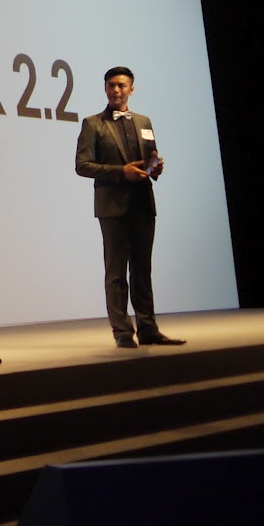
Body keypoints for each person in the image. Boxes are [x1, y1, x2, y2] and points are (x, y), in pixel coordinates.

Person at [74, 66, 184, 348]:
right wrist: (121, 172)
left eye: (121, 85)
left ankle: (148, 328)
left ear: (131, 89)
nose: (116, 90)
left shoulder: (144, 121)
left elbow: (149, 159)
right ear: (105, 88)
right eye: (111, 85)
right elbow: (82, 166)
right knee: (116, 273)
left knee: (142, 270)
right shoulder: (92, 124)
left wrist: (154, 168)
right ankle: (122, 332)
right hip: (112, 207)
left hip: (143, 204)